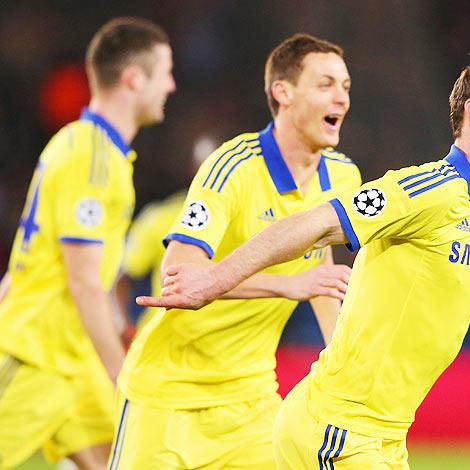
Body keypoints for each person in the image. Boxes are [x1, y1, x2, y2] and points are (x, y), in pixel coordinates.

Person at [140, 46, 470, 468]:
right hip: (337, 429)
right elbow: (318, 222)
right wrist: (216, 278)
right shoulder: (428, 190)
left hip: (384, 437)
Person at [110, 34, 361, 469]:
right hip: (168, 395)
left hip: (251, 400)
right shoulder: (234, 165)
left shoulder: (344, 178)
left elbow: (320, 271)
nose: (341, 97)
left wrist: (340, 362)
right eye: (325, 85)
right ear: (283, 92)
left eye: (345, 87)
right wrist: (289, 285)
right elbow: (180, 271)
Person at [0, 17, 175, 470]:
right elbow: (82, 281)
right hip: (37, 357)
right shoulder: (91, 158)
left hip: (74, 361)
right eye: (165, 72)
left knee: (127, 460)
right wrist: (122, 370)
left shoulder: (94, 151)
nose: (172, 85)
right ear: (134, 78)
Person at [114, 134, 218, 340]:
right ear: (193, 170)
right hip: (161, 341)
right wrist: (123, 325)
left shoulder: (247, 222)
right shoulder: (159, 218)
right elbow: (121, 277)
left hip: (217, 346)